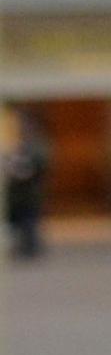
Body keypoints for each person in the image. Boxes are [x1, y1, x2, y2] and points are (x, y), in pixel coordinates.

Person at [4, 105, 49, 260]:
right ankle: (25, 247)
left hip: (29, 192)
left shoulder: (37, 146)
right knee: (21, 222)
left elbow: (37, 167)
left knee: (29, 221)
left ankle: (31, 247)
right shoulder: (20, 145)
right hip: (18, 193)